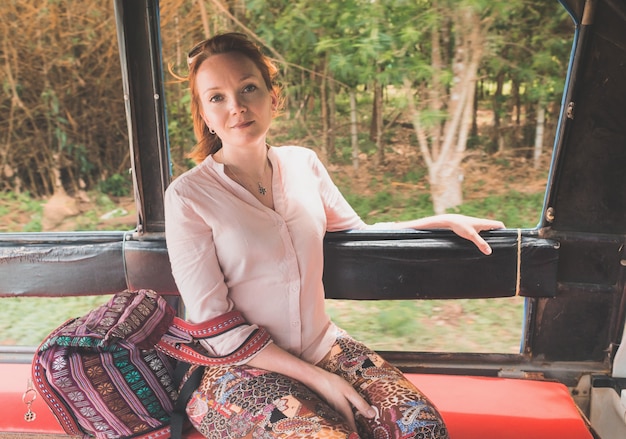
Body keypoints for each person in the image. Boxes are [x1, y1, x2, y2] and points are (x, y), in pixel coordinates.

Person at [164, 32, 505, 439]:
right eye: (216, 97)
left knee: (422, 429)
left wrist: (438, 221)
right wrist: (319, 380)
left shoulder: (302, 164)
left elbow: (356, 232)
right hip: (236, 367)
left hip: (323, 345)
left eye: (248, 88)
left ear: (273, 97)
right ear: (203, 111)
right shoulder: (188, 195)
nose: (236, 107)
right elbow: (215, 327)